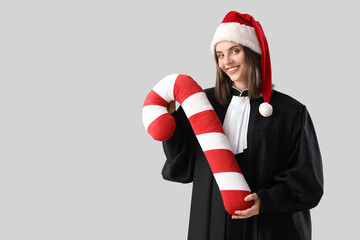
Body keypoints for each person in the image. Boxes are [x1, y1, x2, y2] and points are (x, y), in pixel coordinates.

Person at [161, 11, 323, 240]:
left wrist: (265, 200)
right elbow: (184, 166)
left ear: (253, 53)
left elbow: (308, 181)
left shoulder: (291, 112)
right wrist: (172, 126)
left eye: (234, 51)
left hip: (270, 227)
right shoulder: (202, 105)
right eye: (220, 54)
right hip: (212, 221)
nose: (226, 62)